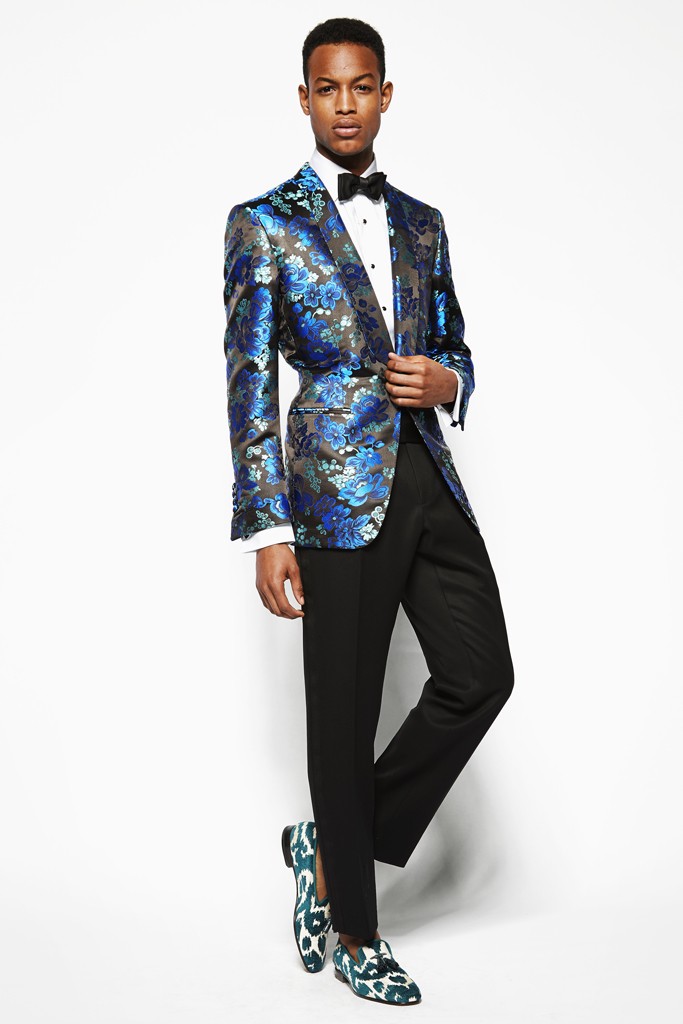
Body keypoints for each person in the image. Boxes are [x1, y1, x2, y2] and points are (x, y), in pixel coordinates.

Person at [223, 16, 514, 1005]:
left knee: (479, 675)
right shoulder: (264, 223)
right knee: (341, 716)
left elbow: (454, 345)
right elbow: (247, 382)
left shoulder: (422, 222)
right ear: (304, 98)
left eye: (361, 86)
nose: (344, 104)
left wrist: (446, 381)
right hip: (332, 496)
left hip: (427, 476)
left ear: (384, 96)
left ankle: (329, 845)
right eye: (327, 87)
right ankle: (355, 929)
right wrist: (267, 527)